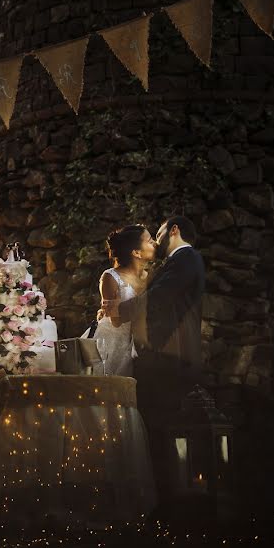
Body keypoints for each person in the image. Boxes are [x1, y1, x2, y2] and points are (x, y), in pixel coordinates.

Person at [101, 216, 205, 507]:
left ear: (173, 230)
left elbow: (160, 296)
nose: (155, 240)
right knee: (154, 425)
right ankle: (163, 495)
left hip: (172, 355)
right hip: (156, 355)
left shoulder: (186, 258)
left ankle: (169, 498)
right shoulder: (176, 262)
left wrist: (120, 311)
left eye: (157, 233)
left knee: (161, 426)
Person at [94, 224, 156, 376]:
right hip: (113, 342)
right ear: (136, 252)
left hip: (140, 342)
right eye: (149, 241)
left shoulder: (151, 277)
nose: (155, 243)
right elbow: (115, 320)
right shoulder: (110, 277)